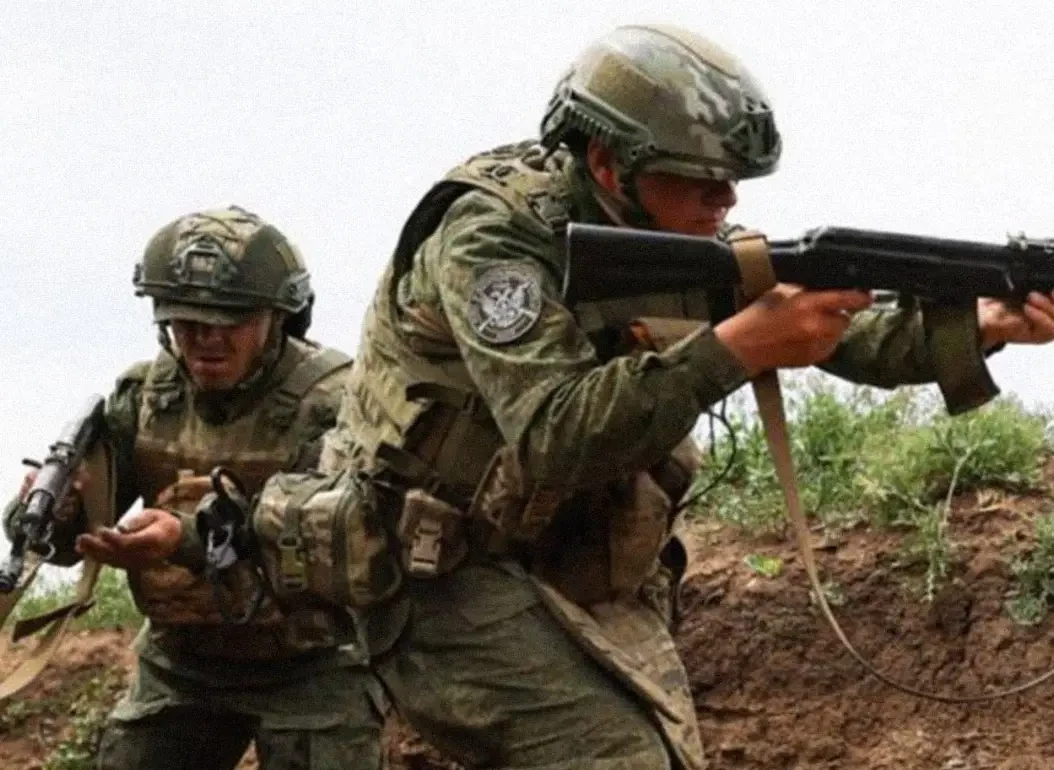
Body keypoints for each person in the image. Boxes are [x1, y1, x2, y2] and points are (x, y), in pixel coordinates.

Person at [313, 23, 1054, 770]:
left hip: (570, 557)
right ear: (609, 163)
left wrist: (983, 324)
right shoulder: (492, 236)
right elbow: (554, 436)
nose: (725, 200)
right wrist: (738, 347)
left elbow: (848, 337)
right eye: (701, 181)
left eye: (732, 181)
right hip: (435, 570)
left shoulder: (674, 236)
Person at [3, 205, 385, 770]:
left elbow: (336, 540)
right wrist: (54, 512)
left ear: (277, 317)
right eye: (185, 322)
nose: (206, 340)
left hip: (313, 663)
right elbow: (65, 544)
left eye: (229, 322)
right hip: (181, 665)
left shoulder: (332, 403)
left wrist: (182, 539)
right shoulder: (146, 397)